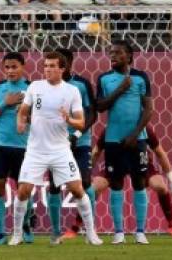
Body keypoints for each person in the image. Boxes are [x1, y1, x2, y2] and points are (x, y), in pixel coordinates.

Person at [8, 52, 102, 246]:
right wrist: (20, 122)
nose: (48, 69)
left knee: (77, 189)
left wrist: (68, 119)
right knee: (23, 191)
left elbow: (81, 122)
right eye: (46, 65)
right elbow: (23, 111)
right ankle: (16, 235)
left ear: (62, 69)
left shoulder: (72, 91)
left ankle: (91, 234)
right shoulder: (35, 87)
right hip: (35, 150)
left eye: (52, 66)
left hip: (60, 149)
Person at [96, 40, 154, 245]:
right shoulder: (104, 79)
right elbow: (100, 106)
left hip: (138, 140)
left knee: (139, 183)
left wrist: (136, 134)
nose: (112, 56)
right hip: (113, 140)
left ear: (129, 56)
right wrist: (120, 89)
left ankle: (140, 231)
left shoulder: (141, 77)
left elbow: (148, 109)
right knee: (116, 183)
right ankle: (118, 232)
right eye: (111, 52)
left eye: (118, 53)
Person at [91, 125, 172, 239]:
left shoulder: (145, 128)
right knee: (92, 188)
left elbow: (160, 152)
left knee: (161, 187)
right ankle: (81, 227)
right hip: (117, 163)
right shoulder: (111, 127)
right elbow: (96, 151)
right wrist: (86, 176)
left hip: (140, 163)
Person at [0, 52, 30, 245]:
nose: (10, 71)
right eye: (7, 67)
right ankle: (1, 233)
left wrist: (27, 112)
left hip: (24, 145)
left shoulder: (32, 89)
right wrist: (5, 103)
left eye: (14, 67)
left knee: (24, 190)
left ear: (23, 67)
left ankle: (25, 228)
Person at [52, 49, 97, 242]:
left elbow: (92, 113)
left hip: (80, 142)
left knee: (85, 183)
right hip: (56, 144)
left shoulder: (81, 84)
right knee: (54, 186)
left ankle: (90, 231)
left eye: (61, 62)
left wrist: (77, 133)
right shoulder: (46, 86)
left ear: (69, 63)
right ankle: (55, 233)